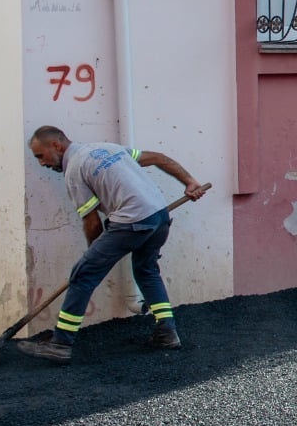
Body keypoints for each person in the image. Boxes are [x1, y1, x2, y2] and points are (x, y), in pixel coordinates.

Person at [22, 127, 208, 363]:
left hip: (132, 221)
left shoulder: (74, 171)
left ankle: (60, 343)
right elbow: (160, 158)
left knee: (83, 275)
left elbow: (92, 223)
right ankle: (167, 332)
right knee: (146, 270)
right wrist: (190, 181)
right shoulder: (107, 148)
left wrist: (92, 256)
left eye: (40, 156)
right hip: (158, 217)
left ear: (56, 146)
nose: (41, 163)